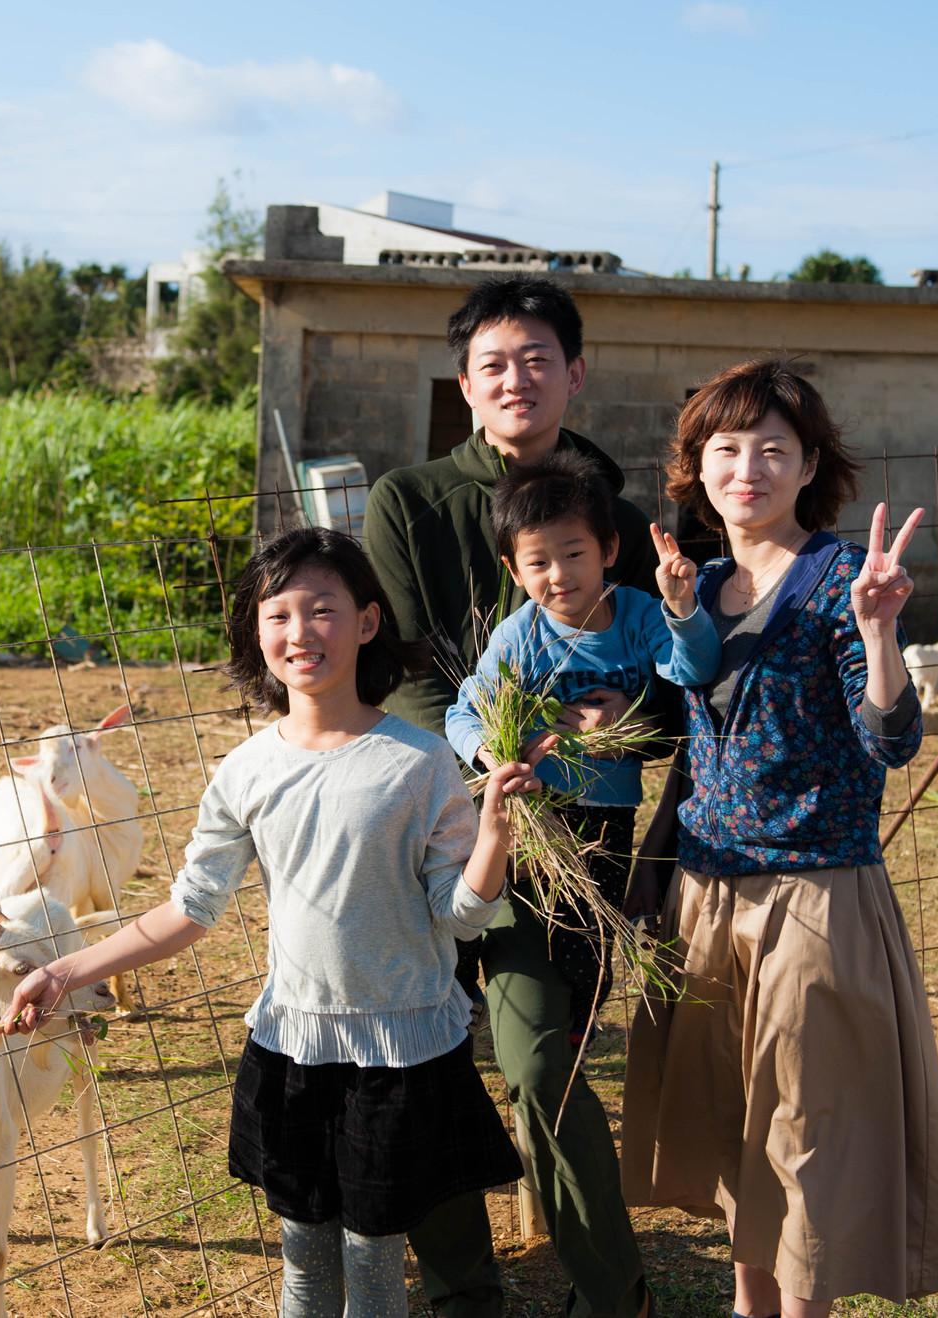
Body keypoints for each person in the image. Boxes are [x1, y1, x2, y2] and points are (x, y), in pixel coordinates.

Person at [1, 526, 539, 1318]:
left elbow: (460, 918)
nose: (299, 632)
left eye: (322, 610)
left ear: (366, 621)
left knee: (376, 1273)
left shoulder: (420, 764)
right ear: (256, 632)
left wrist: (492, 834)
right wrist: (64, 971)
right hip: (293, 1048)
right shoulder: (247, 770)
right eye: (278, 614)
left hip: (399, 1053)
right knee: (304, 1269)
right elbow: (190, 910)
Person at [621, 358, 938, 1317]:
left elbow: (888, 740)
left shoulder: (838, 584)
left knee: (805, 1130)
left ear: (809, 464)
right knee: (739, 1118)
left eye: (773, 448)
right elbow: (698, 752)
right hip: (706, 890)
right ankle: (750, 1304)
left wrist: (881, 635)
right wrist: (657, 867)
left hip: (815, 896)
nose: (749, 468)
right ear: (695, 469)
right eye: (725, 449)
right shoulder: (701, 588)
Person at [363, 274, 656, 1318]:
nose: (516, 378)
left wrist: (602, 728)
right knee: (419, 1045)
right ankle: (459, 1285)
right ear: (465, 382)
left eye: (538, 358)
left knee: (543, 1061)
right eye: (494, 362)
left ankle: (612, 1292)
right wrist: (499, 746)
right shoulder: (409, 500)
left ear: (574, 373)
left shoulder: (618, 513)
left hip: (566, 841)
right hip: (432, 818)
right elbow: (394, 665)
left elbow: (655, 691)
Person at [445, 452, 717, 1045]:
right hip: (532, 810)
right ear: (514, 570)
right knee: (479, 911)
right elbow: (462, 711)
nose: (559, 574)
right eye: (538, 561)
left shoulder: (642, 616)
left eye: (574, 554)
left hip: (607, 811)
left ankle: (578, 1020)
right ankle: (459, 998)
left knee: (588, 926)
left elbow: (692, 670)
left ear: (609, 551)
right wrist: (492, 756)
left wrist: (683, 611)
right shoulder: (521, 635)